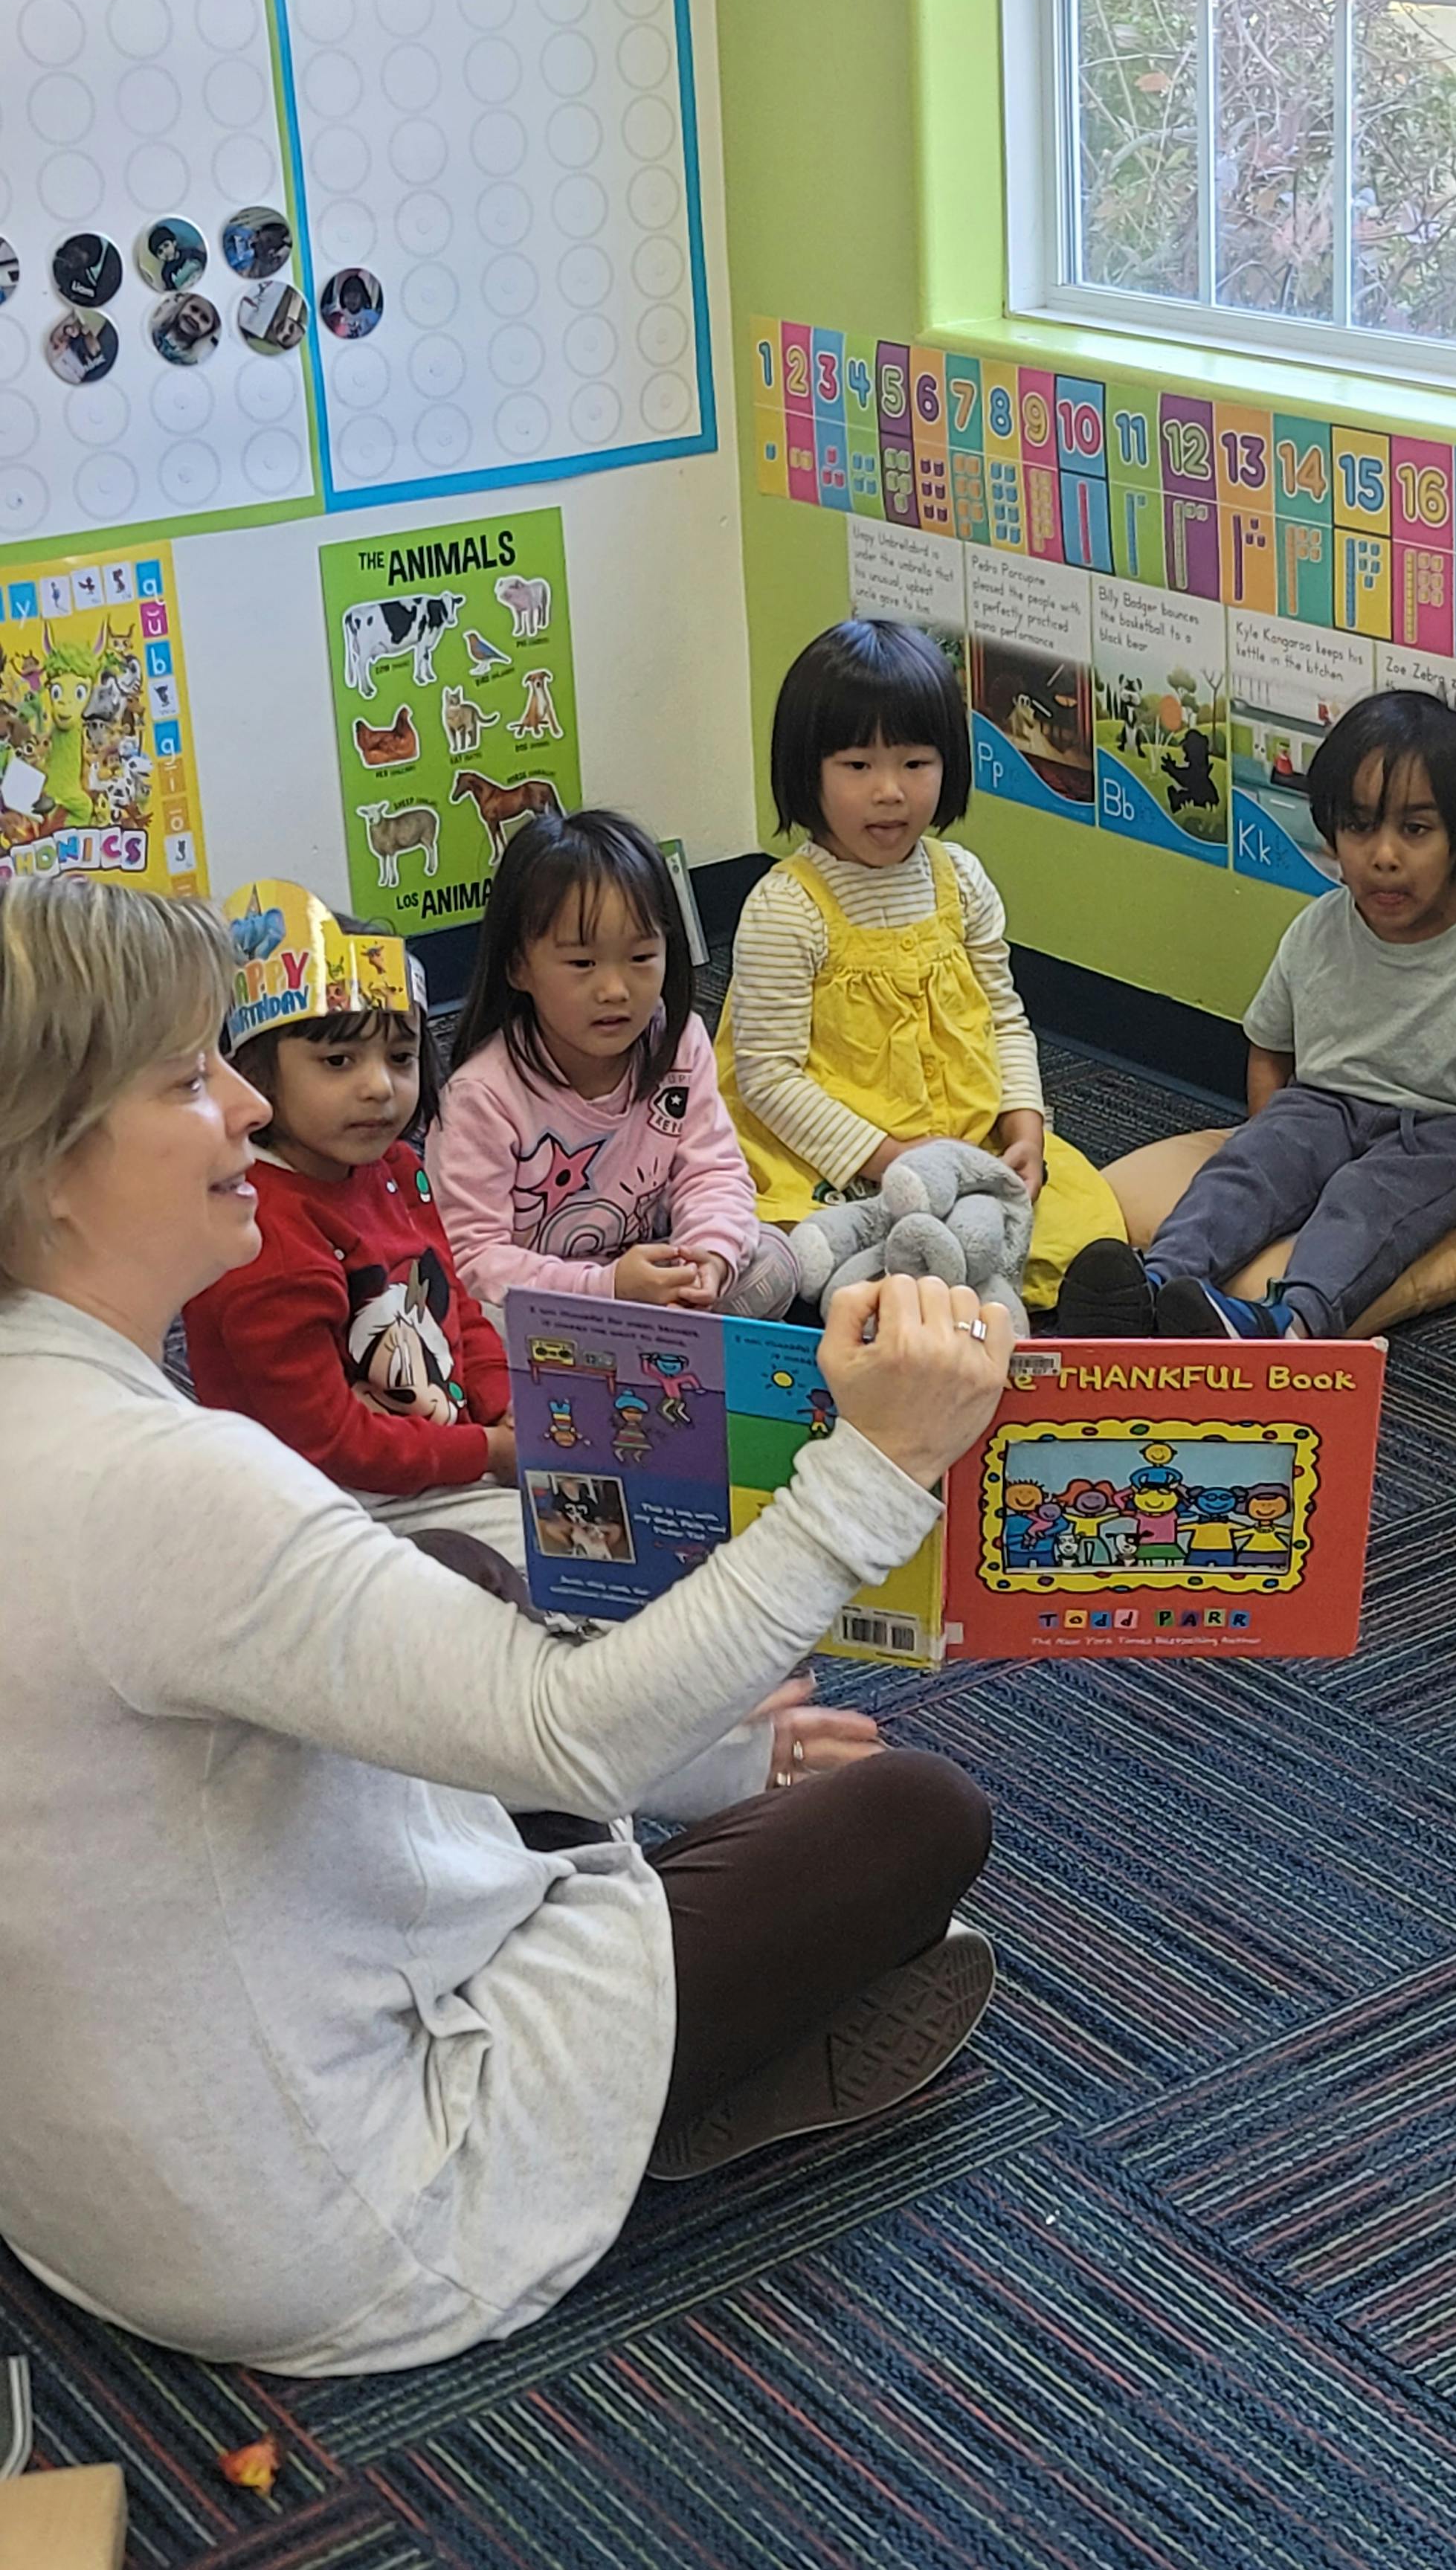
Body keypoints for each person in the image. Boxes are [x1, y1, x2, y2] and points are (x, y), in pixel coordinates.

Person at [0, 875, 1008, 2373]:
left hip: (81, 2184)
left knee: (475, 1598)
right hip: (326, 2220)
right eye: (186, 1077)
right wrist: (882, 1463)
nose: (245, 1104)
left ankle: (670, 1960)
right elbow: (566, 1732)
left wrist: (686, 1740)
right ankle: (637, 2107)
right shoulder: (162, 1482)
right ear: (47, 1160)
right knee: (919, 1815)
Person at [1060, 689, 1456, 1341]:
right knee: (1245, 1171)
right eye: (1360, 827)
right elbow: (1270, 1046)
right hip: (1324, 1106)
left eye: (1415, 831)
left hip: (1441, 1133)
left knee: (1363, 1205)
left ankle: (1286, 1323)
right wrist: (1271, 1136)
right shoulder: (1319, 929)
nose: (1384, 856)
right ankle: (1157, 1282)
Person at [720, 619, 1124, 1315]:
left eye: (915, 763)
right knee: (806, 1245)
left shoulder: (961, 879)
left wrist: (1025, 1129)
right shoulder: (786, 908)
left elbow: (1003, 1019)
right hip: (833, 1154)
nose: (891, 791)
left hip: (965, 1142)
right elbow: (768, 1077)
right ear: (807, 770)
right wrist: (891, 1157)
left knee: (1082, 1225)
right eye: (857, 766)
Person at [181, 886, 526, 1571]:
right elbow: (332, 1440)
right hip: (337, 1500)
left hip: (439, 1441)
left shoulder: (395, 1166)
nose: (379, 1087)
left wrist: (503, 1406)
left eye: (400, 1058)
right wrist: (488, 1451)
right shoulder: (261, 1235)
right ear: (254, 1073)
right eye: (338, 1062)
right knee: (561, 1567)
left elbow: (454, 1303)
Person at [432, 808, 798, 1323]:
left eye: (641, 957)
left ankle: (669, 1338)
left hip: (654, 1280)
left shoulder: (678, 1042)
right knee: (469, 1322)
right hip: (554, 1310)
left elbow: (713, 1172)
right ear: (518, 966)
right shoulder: (482, 1095)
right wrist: (606, 1288)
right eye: (582, 963)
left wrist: (707, 1260)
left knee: (773, 1261)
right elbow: (472, 1260)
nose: (614, 990)